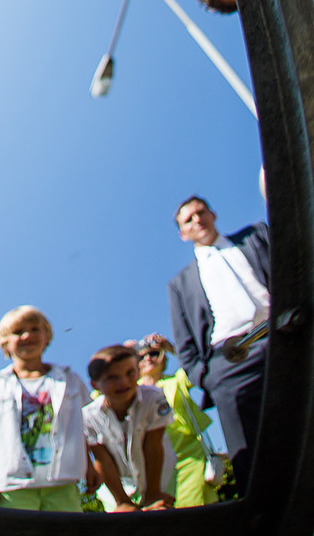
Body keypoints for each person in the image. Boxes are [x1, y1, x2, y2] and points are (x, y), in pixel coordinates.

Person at [167, 195, 270, 496]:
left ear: (213, 214)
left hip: (284, 333)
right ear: (182, 233)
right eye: (189, 219)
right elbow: (185, 344)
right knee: (253, 459)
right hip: (230, 364)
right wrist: (209, 376)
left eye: (200, 212)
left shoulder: (256, 236)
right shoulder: (180, 284)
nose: (197, 219)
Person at [0, 304, 91, 513]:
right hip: (10, 487)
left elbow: (84, 428)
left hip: (62, 483)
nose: (27, 335)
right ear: (4, 343)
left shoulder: (69, 380)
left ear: (47, 336)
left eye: (34, 329)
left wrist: (92, 467)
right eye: (18, 332)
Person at [82, 344, 175, 512]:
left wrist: (153, 494)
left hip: (160, 476)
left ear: (138, 372)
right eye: (112, 377)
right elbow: (103, 459)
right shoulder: (88, 416)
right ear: (95, 385)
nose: (123, 382)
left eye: (130, 373)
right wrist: (122, 501)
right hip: (116, 485)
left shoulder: (154, 398)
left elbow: (153, 447)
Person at [134, 333, 219, 507]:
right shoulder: (131, 391)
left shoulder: (176, 380)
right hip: (151, 461)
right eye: (141, 356)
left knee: (195, 509)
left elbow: (196, 368)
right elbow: (101, 396)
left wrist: (170, 347)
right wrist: (124, 354)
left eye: (154, 354)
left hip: (188, 455)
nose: (148, 358)